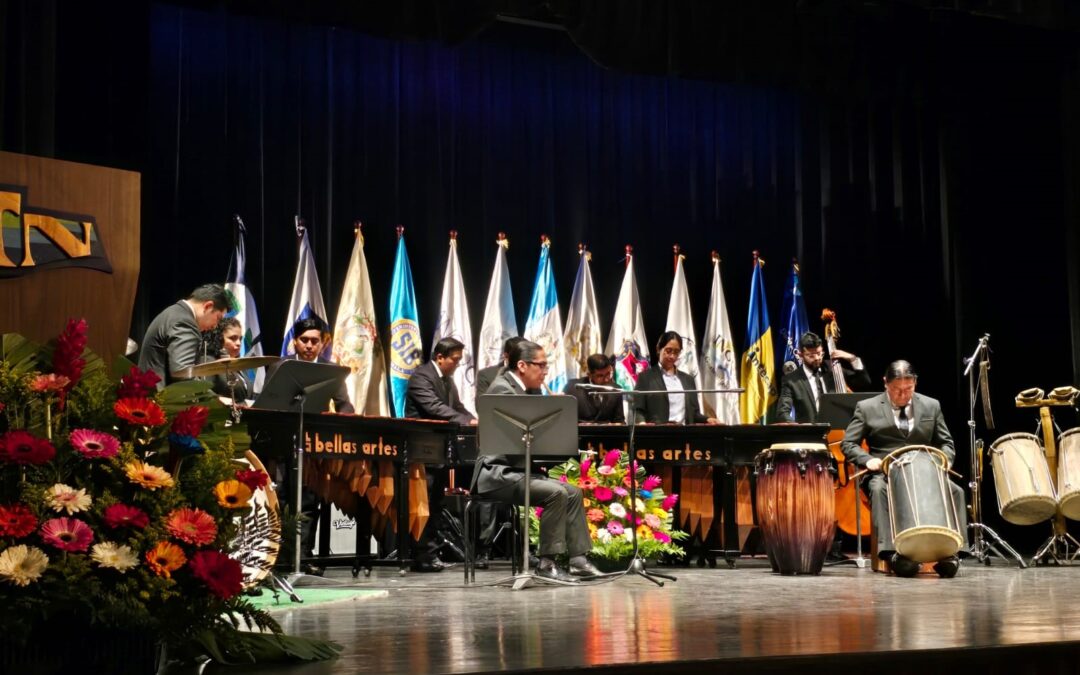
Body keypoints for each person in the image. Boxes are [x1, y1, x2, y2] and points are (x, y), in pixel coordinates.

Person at [471, 340, 601, 582]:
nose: (545, 371)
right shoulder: (504, 390)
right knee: (556, 493)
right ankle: (547, 563)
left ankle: (578, 560)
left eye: (546, 366)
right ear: (522, 365)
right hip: (498, 472)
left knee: (572, 492)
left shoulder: (522, 390)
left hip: (516, 471)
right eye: (540, 365)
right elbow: (511, 443)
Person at [841, 360, 967, 578]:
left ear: (915, 383)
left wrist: (943, 461)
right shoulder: (867, 407)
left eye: (908, 389)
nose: (903, 395)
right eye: (897, 390)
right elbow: (848, 444)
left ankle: (953, 553)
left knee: (956, 490)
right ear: (885, 384)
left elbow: (947, 443)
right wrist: (867, 459)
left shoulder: (931, 405)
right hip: (885, 471)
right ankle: (891, 554)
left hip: (925, 469)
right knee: (879, 489)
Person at [267, 317, 355, 570]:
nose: (308, 345)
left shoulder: (331, 370)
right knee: (282, 500)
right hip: (282, 443)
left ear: (322, 344)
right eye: (304, 340)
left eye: (314, 341)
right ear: (295, 341)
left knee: (308, 502)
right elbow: (269, 402)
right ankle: (278, 559)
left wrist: (345, 425)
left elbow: (344, 405)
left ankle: (303, 557)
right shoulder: (280, 367)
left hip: (314, 445)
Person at [404, 337, 477, 572]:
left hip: (437, 450)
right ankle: (422, 553)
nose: (457, 364)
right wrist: (467, 420)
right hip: (419, 450)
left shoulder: (447, 380)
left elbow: (456, 407)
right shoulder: (421, 377)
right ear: (440, 357)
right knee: (422, 503)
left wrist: (474, 419)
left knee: (435, 503)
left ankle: (431, 552)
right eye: (454, 360)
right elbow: (434, 407)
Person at [139, 283, 230, 388]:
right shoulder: (185, 322)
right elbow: (183, 374)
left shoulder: (174, 312)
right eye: (218, 318)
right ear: (208, 306)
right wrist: (212, 399)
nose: (215, 326)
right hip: (160, 399)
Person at [777, 332, 870, 423]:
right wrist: (798, 428)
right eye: (811, 356)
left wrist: (852, 358)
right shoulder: (791, 380)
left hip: (839, 430)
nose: (817, 358)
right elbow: (782, 412)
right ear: (801, 355)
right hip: (810, 435)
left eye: (819, 353)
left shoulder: (833, 369)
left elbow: (864, 381)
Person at [633, 332, 718, 425]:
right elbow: (638, 410)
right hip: (658, 434)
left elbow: (693, 414)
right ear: (658, 349)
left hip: (683, 434)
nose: (672, 356)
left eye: (676, 352)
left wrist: (707, 419)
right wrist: (642, 423)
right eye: (668, 351)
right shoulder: (645, 378)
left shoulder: (688, 380)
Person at [563, 353, 625, 423]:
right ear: (590, 375)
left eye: (608, 374)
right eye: (600, 376)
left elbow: (619, 421)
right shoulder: (572, 388)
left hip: (607, 433)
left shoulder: (616, 390)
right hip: (580, 433)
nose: (606, 379)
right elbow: (565, 419)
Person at [208, 317, 249, 402]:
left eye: (240, 339)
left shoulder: (240, 365)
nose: (238, 343)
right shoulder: (208, 361)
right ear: (219, 339)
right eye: (233, 338)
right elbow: (205, 395)